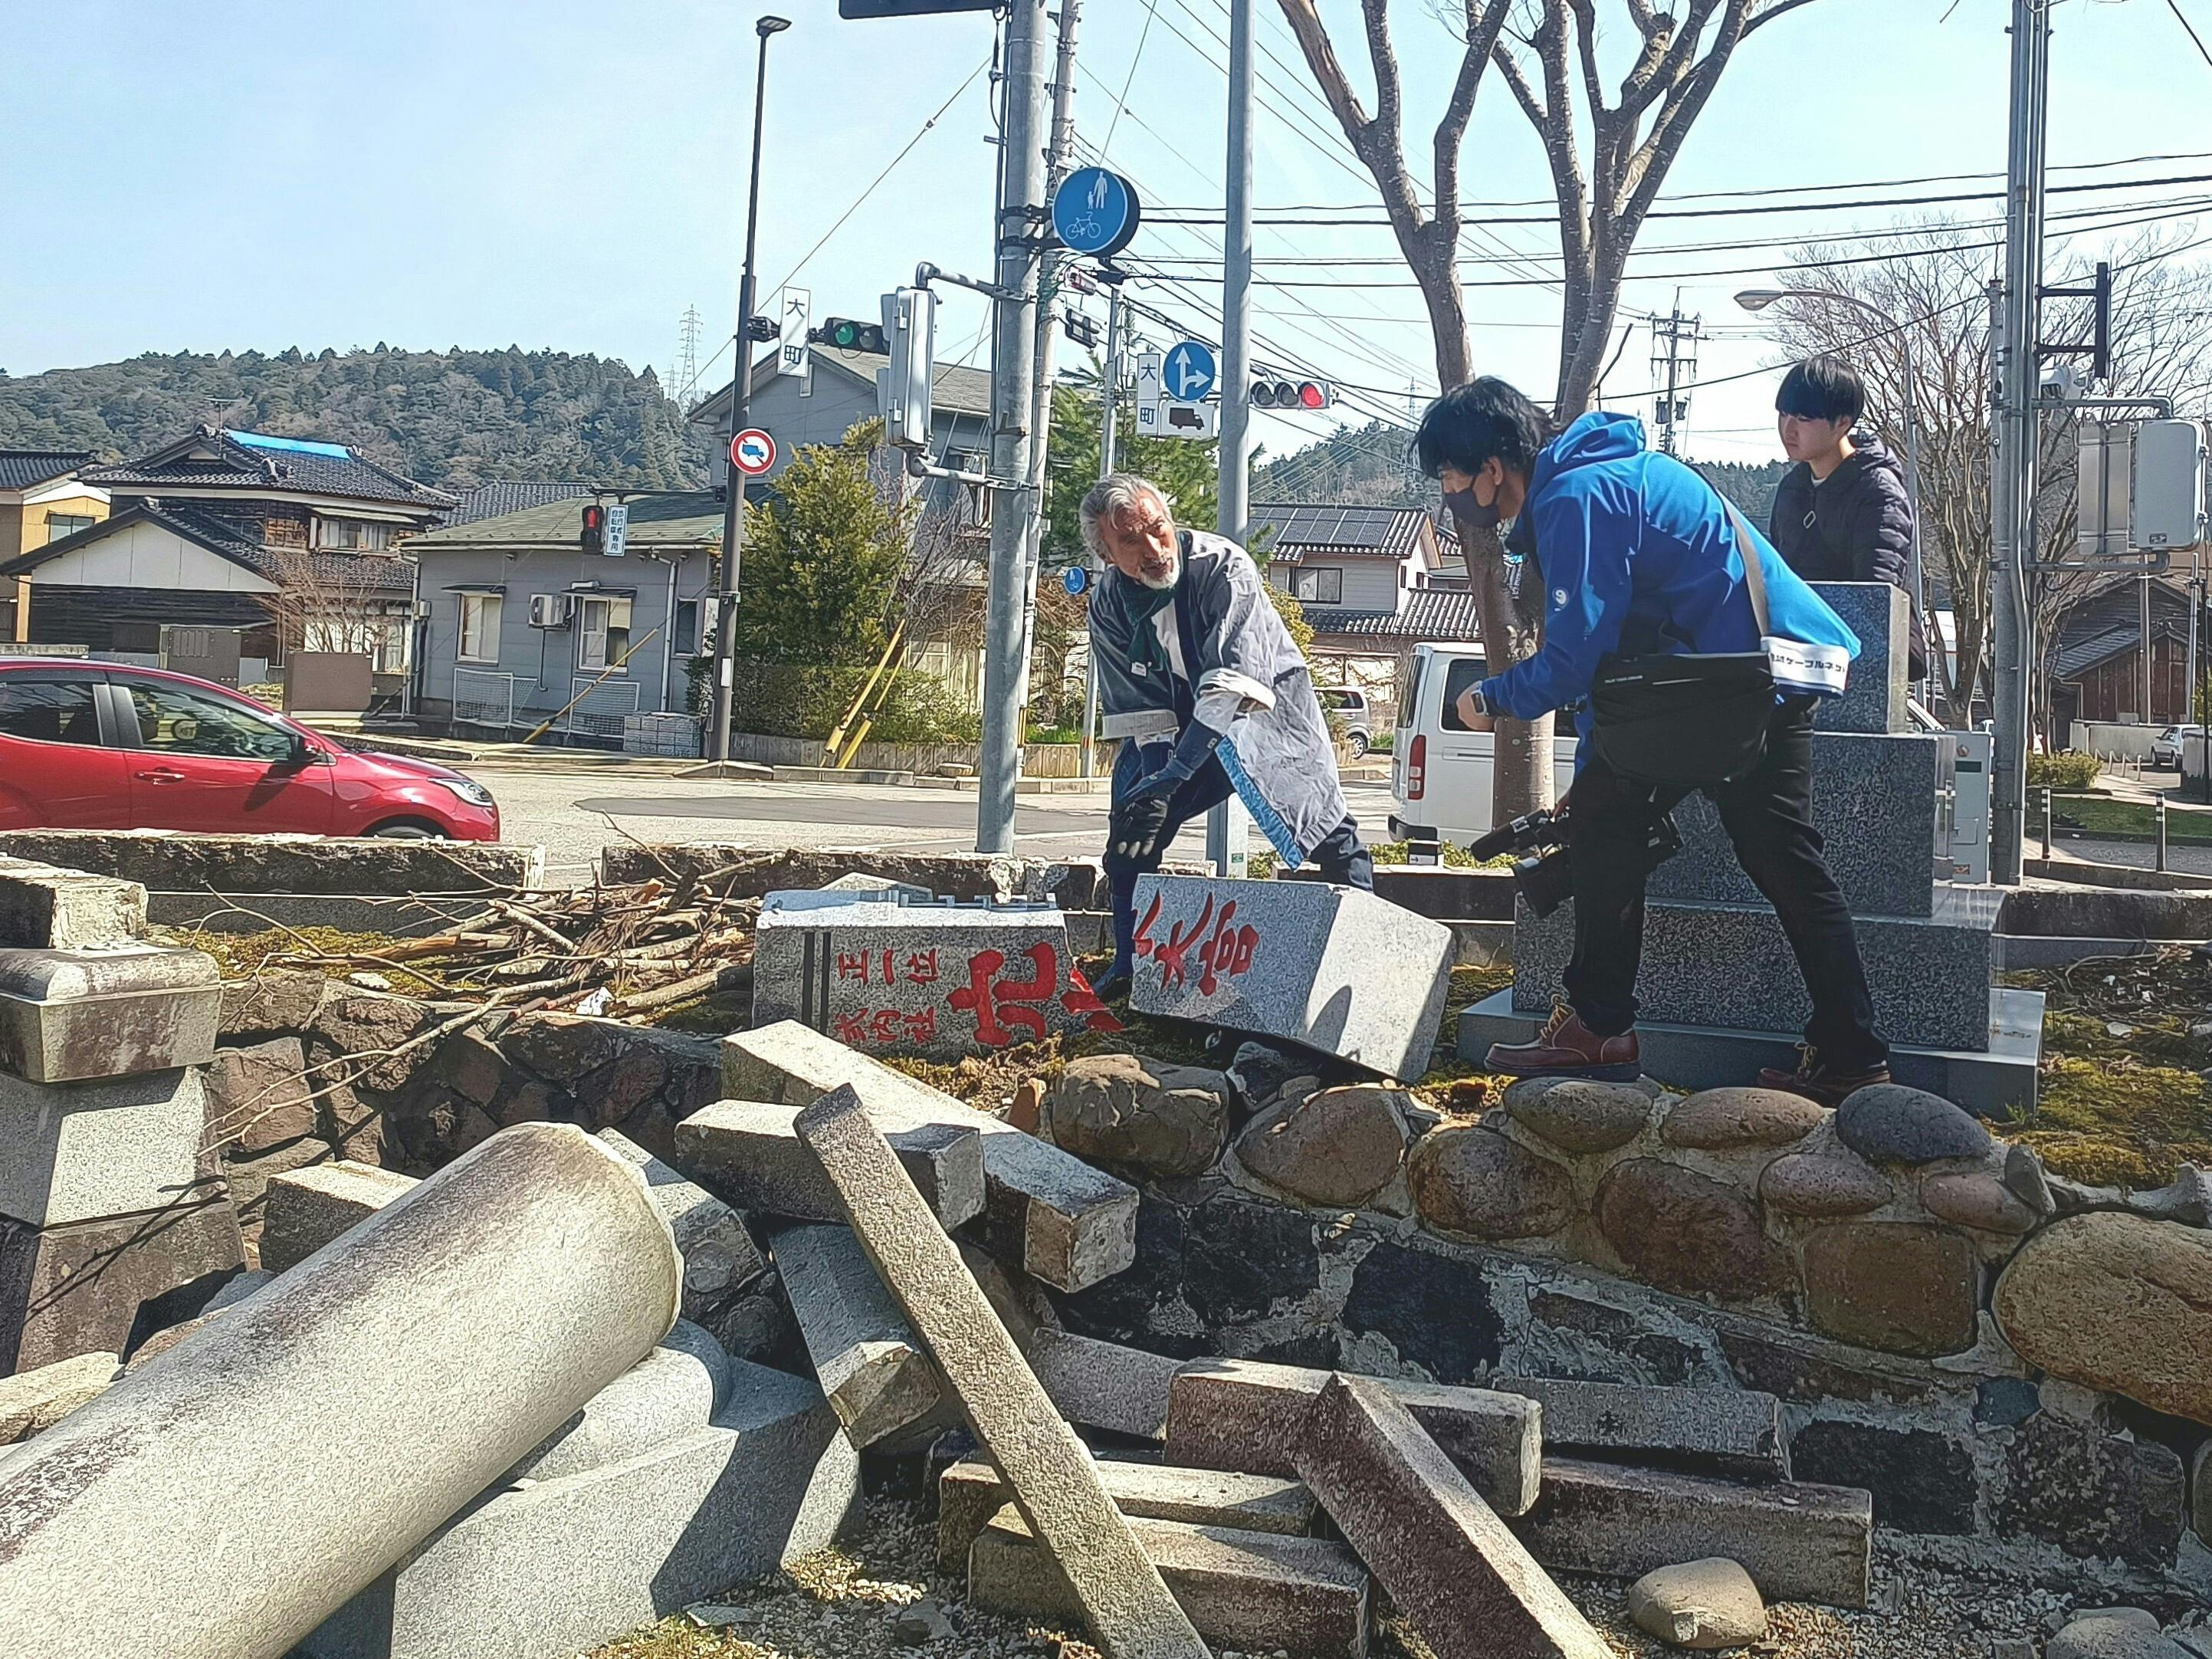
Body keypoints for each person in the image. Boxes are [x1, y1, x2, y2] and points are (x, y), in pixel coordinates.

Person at [1421, 377, 1891, 1105]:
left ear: (1491, 468)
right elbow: (1617, 656)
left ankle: (1605, 1027)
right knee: (1661, 830)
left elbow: (1576, 657)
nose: (1451, 491)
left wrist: (1491, 695)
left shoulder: (1580, 497)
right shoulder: (1599, 479)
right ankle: (1846, 1049)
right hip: (1735, 679)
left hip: (1746, 683)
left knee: (1762, 856)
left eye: (1451, 474)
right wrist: (1595, 763)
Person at [1084, 474, 1372, 997]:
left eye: (1157, 528)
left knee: (1325, 828)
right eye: (1130, 540)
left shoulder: (1222, 566)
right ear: (1107, 554)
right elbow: (1141, 709)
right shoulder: (1107, 604)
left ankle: (1360, 955)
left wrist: (1176, 772)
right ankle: (1130, 961)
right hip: (1173, 726)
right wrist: (1156, 786)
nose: (1153, 549)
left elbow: (1231, 682)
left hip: (1259, 709)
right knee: (1132, 831)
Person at [1767, 355, 1927, 678]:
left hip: (1855, 662)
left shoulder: (1878, 492)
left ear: (1842, 422)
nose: (1789, 428)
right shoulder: (1792, 488)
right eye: (1783, 414)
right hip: (1797, 657)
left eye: (1804, 417)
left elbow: (1875, 596)